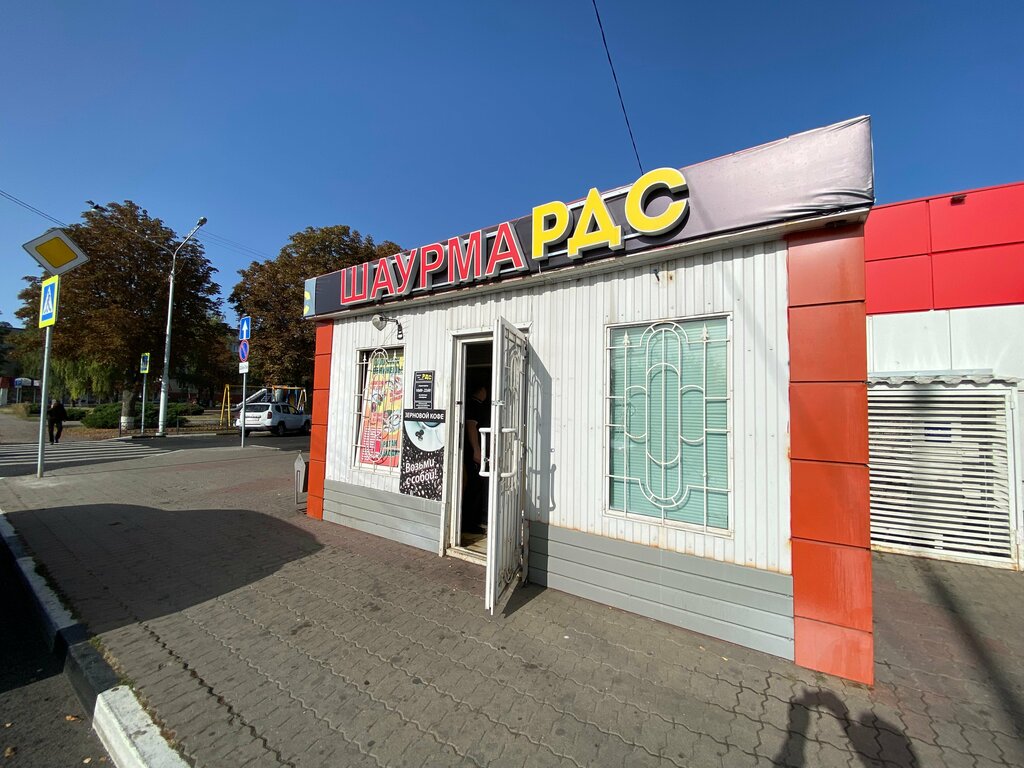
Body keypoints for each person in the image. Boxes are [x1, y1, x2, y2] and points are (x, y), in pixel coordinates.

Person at [462, 380, 490, 534]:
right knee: (474, 487)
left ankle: (473, 522)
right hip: (474, 454)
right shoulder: (474, 405)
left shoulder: (474, 404)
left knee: (476, 487)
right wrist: (476, 450)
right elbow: (471, 426)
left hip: (475, 452)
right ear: (481, 390)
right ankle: (469, 524)